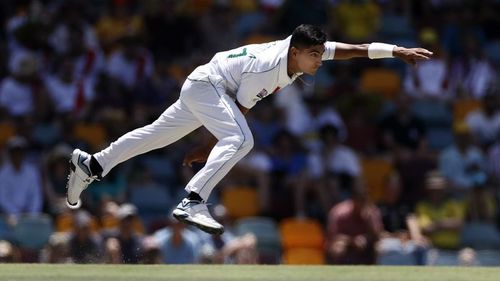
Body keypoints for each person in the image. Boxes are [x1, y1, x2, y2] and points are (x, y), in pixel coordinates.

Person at [66, 24, 432, 235]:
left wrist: (397, 51)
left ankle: (93, 164)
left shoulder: (298, 52)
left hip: (206, 86)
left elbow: (354, 49)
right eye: (315, 56)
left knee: (155, 134)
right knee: (243, 139)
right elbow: (237, 114)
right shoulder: (268, 69)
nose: (320, 61)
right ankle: (193, 200)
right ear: (296, 53)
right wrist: (208, 147)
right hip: (210, 86)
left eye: (321, 54)